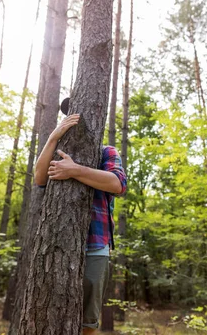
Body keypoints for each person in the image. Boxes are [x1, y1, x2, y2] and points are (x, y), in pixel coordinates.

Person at [34, 98, 127, 334]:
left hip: (96, 245)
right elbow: (39, 178)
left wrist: (74, 170)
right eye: (69, 114)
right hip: (57, 245)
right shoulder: (57, 152)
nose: (75, 119)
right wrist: (53, 137)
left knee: (88, 319)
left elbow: (117, 184)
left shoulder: (106, 151)